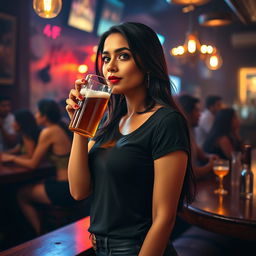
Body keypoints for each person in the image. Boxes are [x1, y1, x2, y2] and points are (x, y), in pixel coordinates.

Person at [66, 22, 195, 256]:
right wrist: (79, 125)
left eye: (123, 56)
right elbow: (78, 190)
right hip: (98, 248)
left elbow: (163, 219)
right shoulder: (110, 122)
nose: (110, 67)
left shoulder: (166, 121)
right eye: (106, 58)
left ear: (147, 62)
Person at [2, 98, 75, 235]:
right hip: (71, 185)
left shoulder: (48, 132)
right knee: (34, 184)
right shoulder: (60, 127)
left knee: (21, 194)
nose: (35, 115)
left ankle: (38, 234)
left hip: (64, 188)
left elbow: (32, 164)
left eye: (37, 112)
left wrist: (11, 158)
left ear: (44, 116)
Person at [177, 94, 218, 179]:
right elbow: (190, 174)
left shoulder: (190, 130)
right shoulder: (180, 135)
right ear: (186, 113)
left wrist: (209, 157)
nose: (200, 115)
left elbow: (200, 154)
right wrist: (210, 166)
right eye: (196, 111)